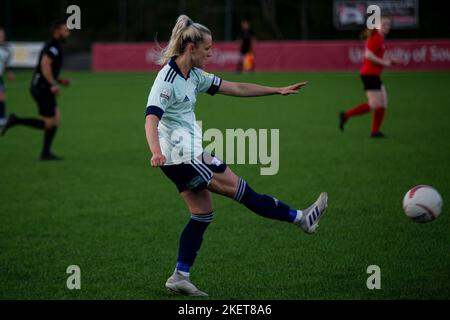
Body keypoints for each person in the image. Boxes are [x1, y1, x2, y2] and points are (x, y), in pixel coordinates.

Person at [144, 15, 328, 297]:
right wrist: (156, 152)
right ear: (191, 47)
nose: (211, 53)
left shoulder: (194, 75)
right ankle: (301, 218)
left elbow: (237, 87)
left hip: (188, 155)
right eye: (208, 48)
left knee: (202, 214)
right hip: (180, 157)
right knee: (243, 192)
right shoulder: (166, 80)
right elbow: (150, 120)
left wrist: (276, 90)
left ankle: (180, 275)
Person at [1, 20, 71, 160]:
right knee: (49, 123)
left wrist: (58, 80)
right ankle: (15, 120)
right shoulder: (53, 47)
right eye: (65, 30)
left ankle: (45, 153)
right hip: (42, 89)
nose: (68, 33)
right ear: (57, 31)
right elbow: (45, 65)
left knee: (56, 119)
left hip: (43, 87)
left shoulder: (54, 46)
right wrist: (53, 84)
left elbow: (45, 69)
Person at [339, 17, 397, 138]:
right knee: (375, 105)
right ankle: (345, 115)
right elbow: (368, 55)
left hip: (374, 75)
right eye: (384, 24)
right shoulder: (376, 37)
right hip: (369, 74)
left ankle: (375, 132)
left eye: (389, 24)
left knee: (383, 103)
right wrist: (385, 62)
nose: (387, 26)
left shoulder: (379, 38)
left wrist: (387, 62)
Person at [0, 28, 15, 127]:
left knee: (2, 96)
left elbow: (4, 64)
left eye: (2, 36)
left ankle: (2, 118)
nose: (1, 37)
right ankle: (2, 119)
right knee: (1, 96)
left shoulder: (6, 49)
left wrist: (8, 72)